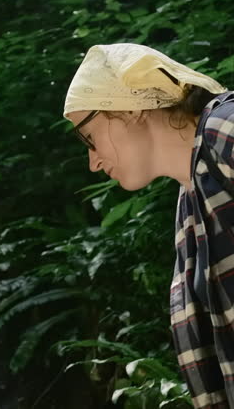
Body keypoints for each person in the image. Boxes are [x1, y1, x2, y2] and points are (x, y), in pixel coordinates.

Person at [63, 43, 234, 408]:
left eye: (87, 138)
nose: (92, 162)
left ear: (130, 109)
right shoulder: (190, 198)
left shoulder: (226, 130)